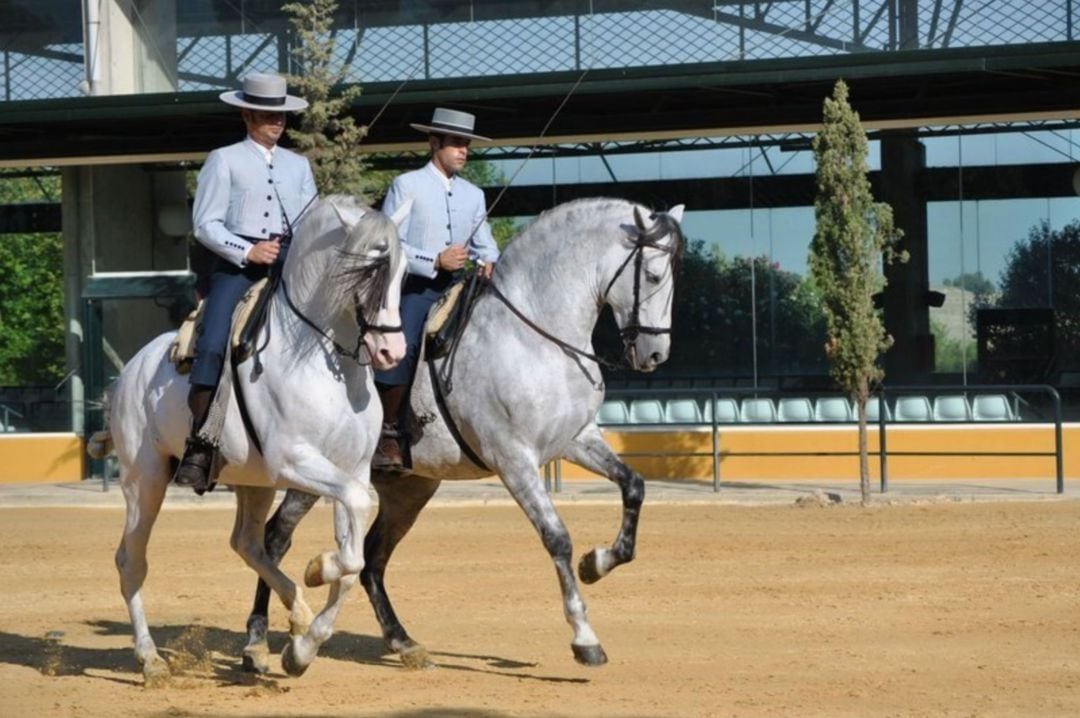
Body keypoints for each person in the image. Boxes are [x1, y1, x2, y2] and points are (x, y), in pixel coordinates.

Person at [173, 72, 317, 491]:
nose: (278, 123)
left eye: (283, 116)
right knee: (214, 340)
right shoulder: (224, 158)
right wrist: (247, 251)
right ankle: (200, 445)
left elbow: (309, 221)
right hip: (237, 267)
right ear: (246, 113)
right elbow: (205, 224)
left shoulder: (299, 165)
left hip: (290, 264)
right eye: (269, 115)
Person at [374, 107, 500, 470]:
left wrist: (489, 259)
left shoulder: (474, 194)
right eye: (457, 144)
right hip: (416, 287)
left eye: (467, 145)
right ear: (434, 143)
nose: (464, 151)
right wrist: (434, 261)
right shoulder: (406, 185)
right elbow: (389, 243)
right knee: (405, 346)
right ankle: (388, 433)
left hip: (462, 286)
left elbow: (485, 242)